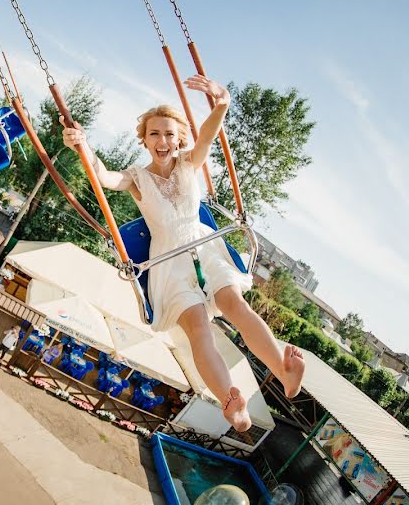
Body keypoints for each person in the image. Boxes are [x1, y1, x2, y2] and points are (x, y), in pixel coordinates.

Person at [62, 74, 305, 432]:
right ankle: (230, 401)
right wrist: (83, 147)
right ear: (144, 140)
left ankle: (283, 370)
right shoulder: (136, 177)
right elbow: (104, 177)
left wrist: (222, 103)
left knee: (236, 305)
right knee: (198, 330)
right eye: (155, 134)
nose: (163, 140)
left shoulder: (190, 162)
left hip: (204, 245)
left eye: (170, 134)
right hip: (169, 263)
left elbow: (208, 134)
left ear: (180, 140)